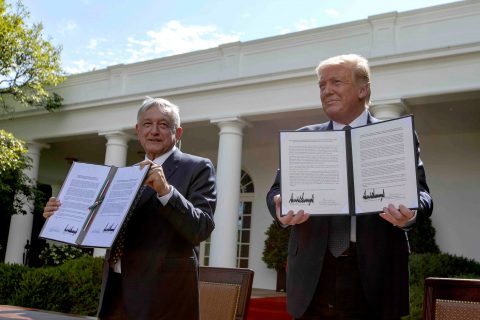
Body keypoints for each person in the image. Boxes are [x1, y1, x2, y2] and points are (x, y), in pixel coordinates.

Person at [266, 54, 433, 320]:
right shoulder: (303, 139)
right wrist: (280, 209)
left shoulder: (394, 136)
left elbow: (422, 195)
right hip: (313, 275)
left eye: (336, 82)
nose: (327, 90)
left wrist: (410, 215)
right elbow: (276, 192)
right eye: (322, 85)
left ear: (363, 89)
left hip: (376, 276)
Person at [43, 97, 217, 320]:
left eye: (163, 125)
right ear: (137, 130)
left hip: (163, 297)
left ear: (178, 133)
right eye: (147, 124)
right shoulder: (124, 175)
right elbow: (95, 224)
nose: (154, 131)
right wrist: (60, 213)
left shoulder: (198, 167)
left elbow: (201, 228)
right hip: (114, 291)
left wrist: (166, 191)